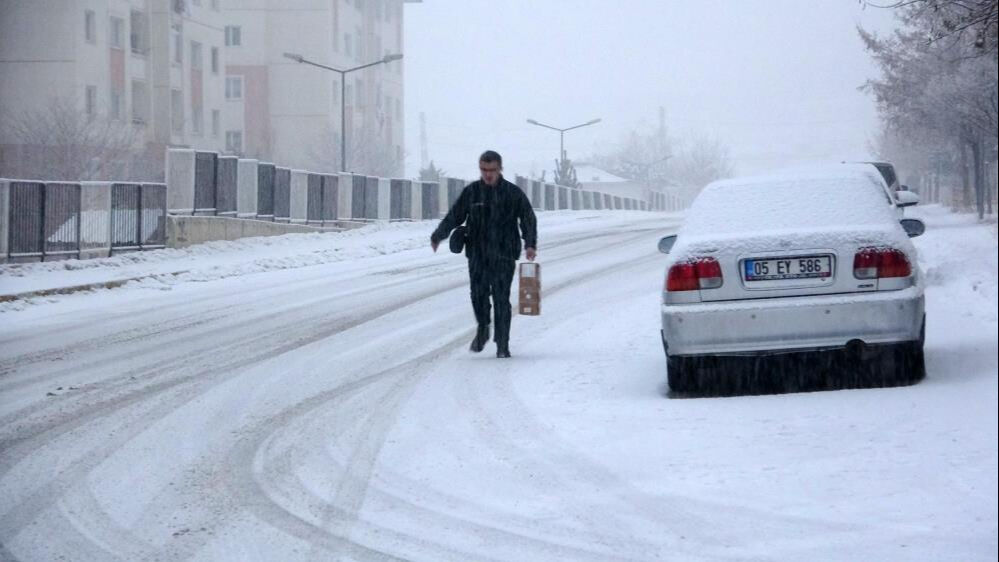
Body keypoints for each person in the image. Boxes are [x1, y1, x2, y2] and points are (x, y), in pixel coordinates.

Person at [431, 150, 537, 358]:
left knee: (501, 298)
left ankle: (503, 344)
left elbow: (528, 218)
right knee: (478, 295)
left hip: (504, 253)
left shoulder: (512, 193)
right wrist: (438, 235)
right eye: (484, 170)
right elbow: (454, 216)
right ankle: (483, 327)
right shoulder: (472, 193)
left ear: (500, 169)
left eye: (492, 170)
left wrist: (530, 244)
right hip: (477, 253)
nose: (488, 174)